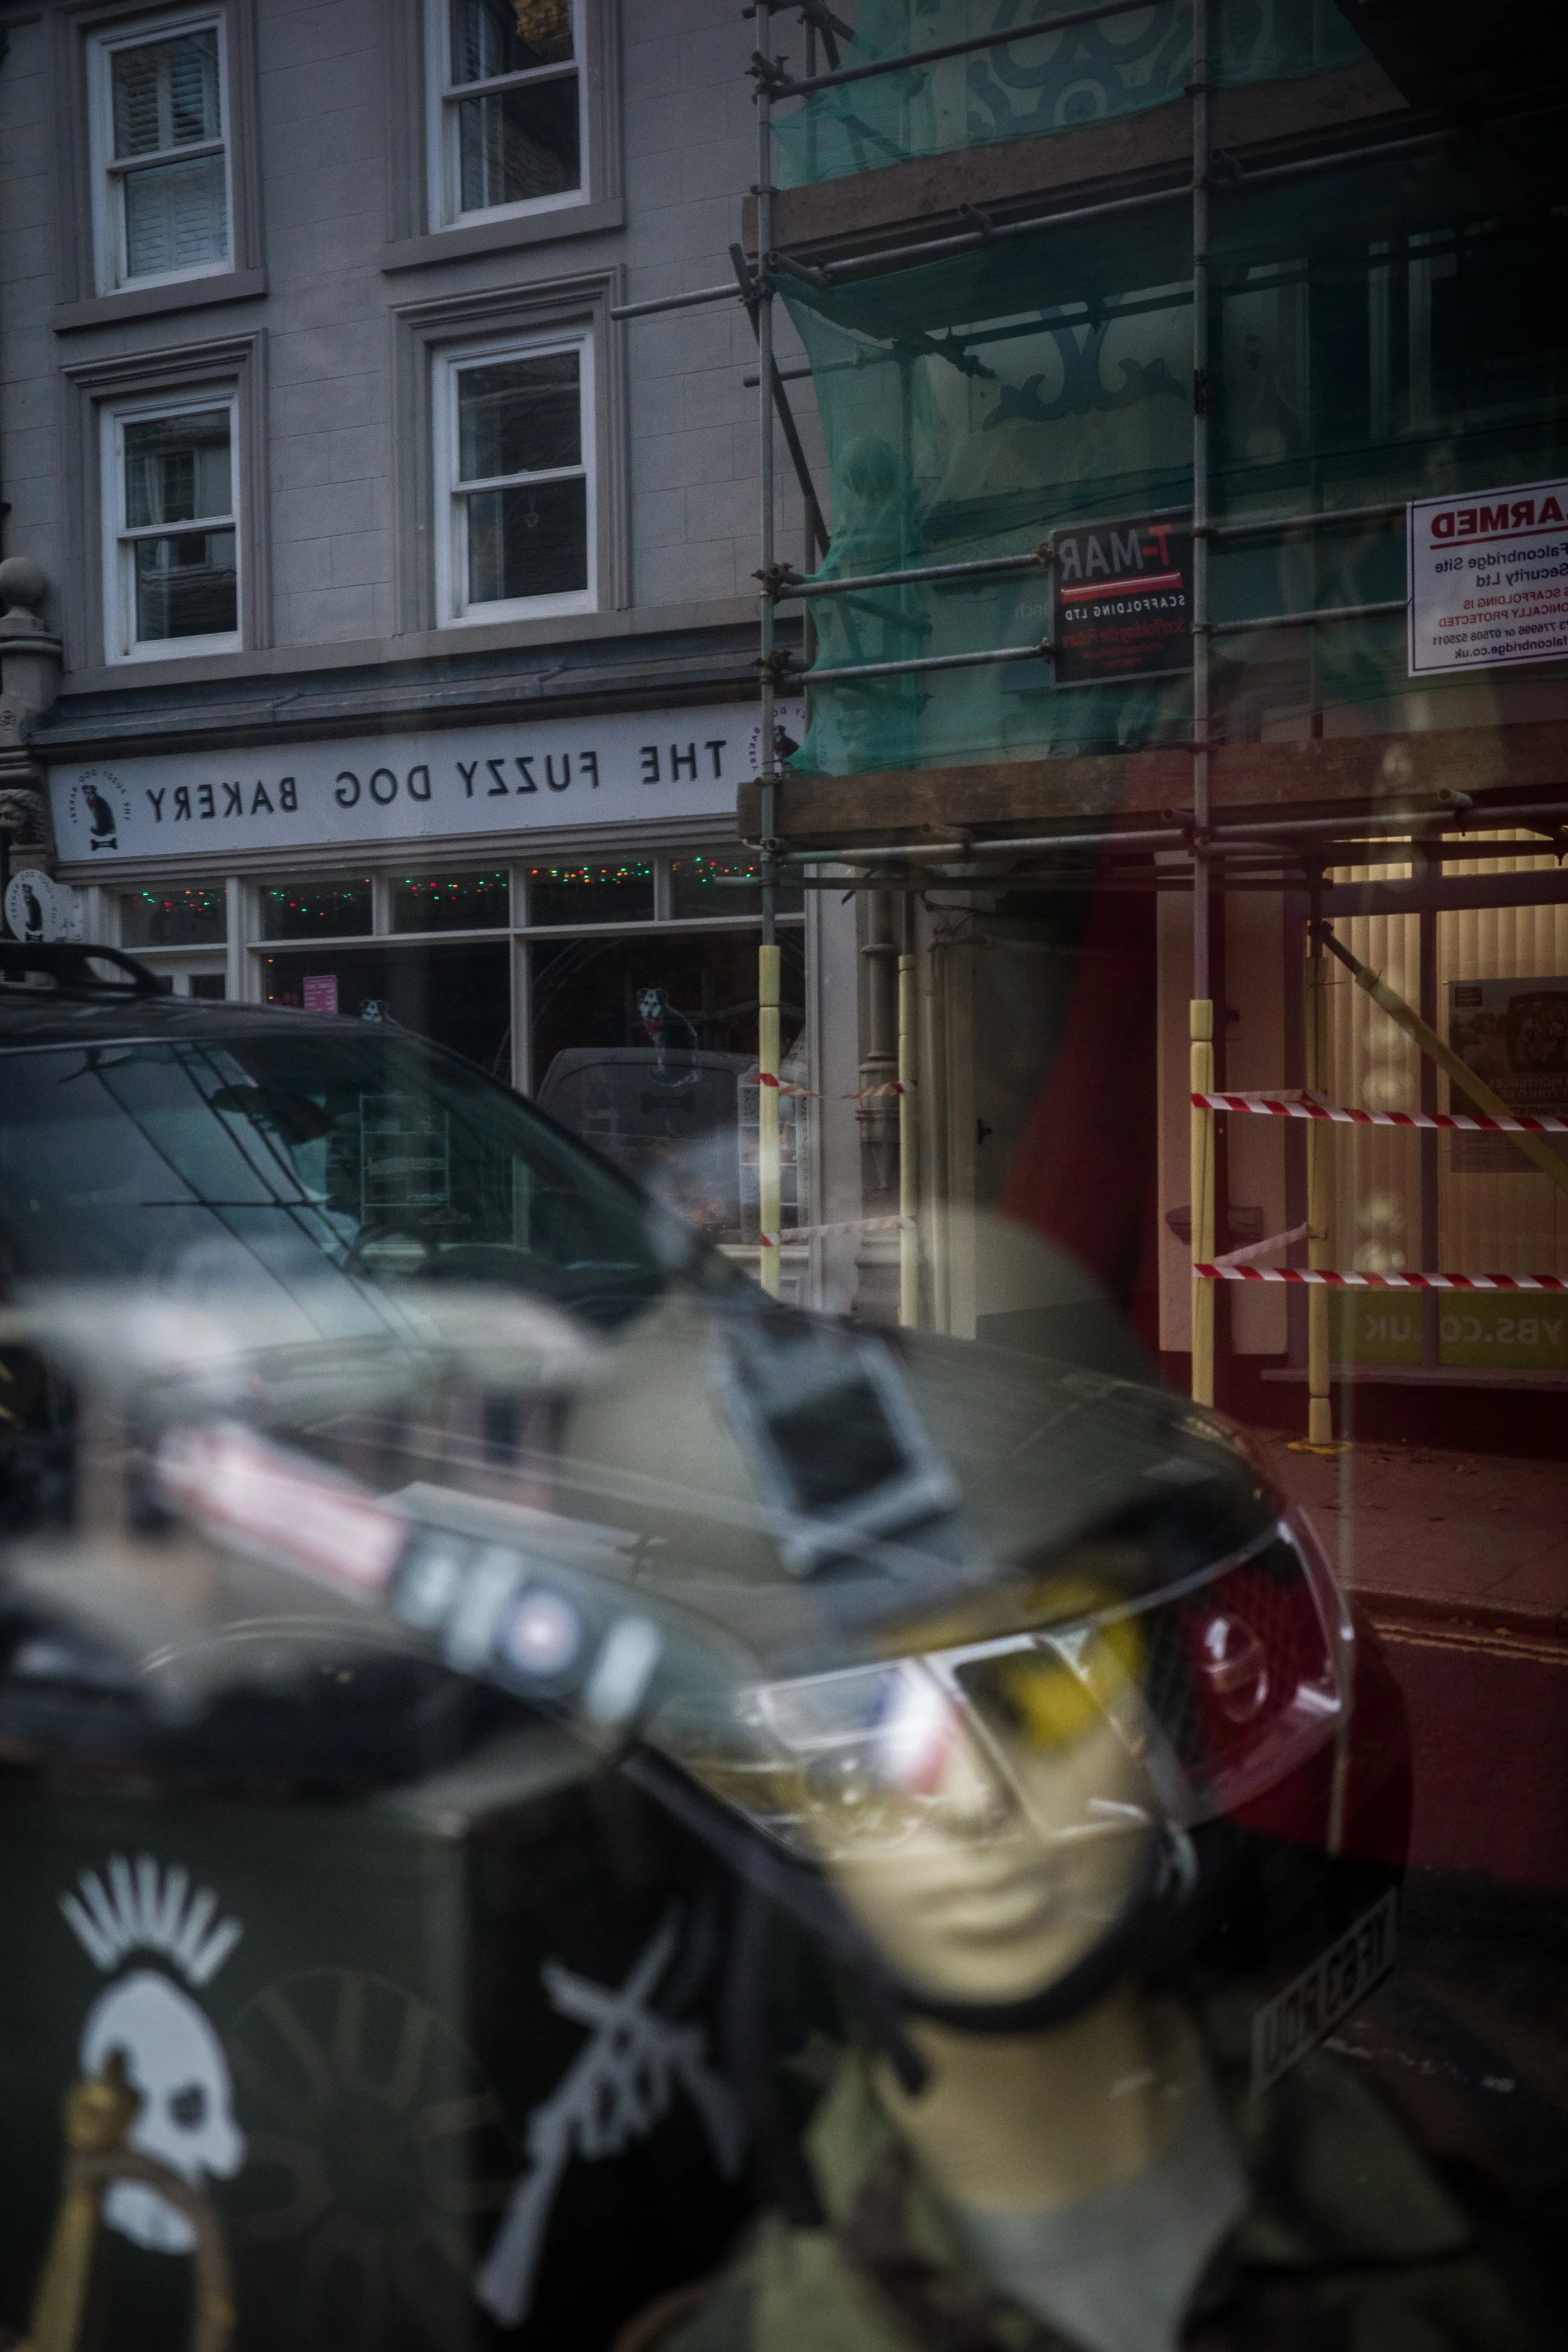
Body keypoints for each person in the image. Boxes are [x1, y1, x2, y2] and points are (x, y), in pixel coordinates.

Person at [633, 1586, 1545, 2352]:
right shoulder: (758, 2328)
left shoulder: (1506, 2156)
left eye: (1043, 1673)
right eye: (855, 1712)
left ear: (1158, 1704)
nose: (975, 1796)